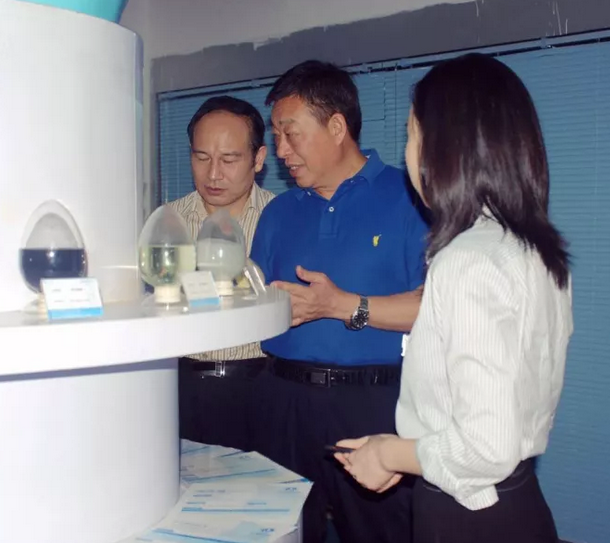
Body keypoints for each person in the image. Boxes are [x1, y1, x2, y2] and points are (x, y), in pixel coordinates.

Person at [336, 53, 573, 543]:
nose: (407, 153)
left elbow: (486, 447)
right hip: (515, 502)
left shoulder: (467, 261)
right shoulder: (535, 251)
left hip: (469, 516)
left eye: (411, 134)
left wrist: (389, 453)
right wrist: (410, 453)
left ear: (445, 148)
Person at [249, 60, 429, 543]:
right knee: (279, 532)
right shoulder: (278, 213)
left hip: (372, 404)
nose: (280, 150)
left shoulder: (411, 199)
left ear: (335, 126)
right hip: (282, 400)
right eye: (276, 135)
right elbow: (255, 301)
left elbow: (434, 309)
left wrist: (340, 305)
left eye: (291, 133)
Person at [166, 95, 275, 451]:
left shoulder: (281, 217)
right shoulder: (168, 223)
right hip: (181, 384)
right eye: (201, 158)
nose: (213, 174)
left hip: (262, 385)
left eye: (229, 159)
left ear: (258, 159)